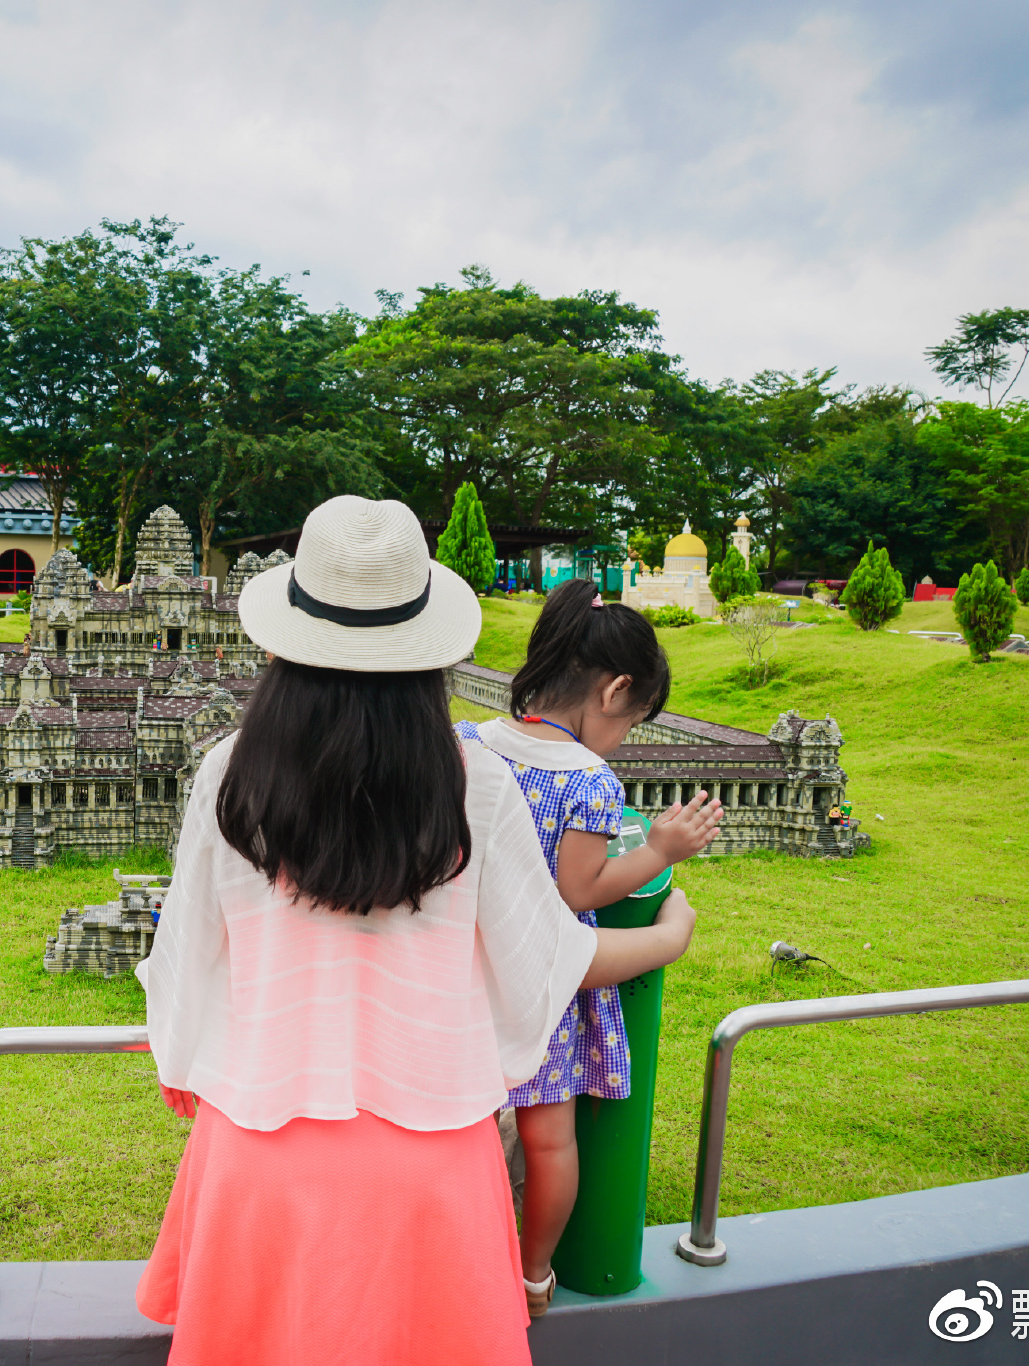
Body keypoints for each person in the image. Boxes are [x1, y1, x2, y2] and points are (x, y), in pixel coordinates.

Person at [136, 497, 699, 1365]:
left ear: (289, 636)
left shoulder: (230, 773)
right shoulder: (471, 783)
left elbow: (183, 957)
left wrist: (184, 1067)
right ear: (425, 644)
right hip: (431, 1160)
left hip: (259, 1145)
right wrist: (666, 937)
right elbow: (542, 965)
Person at [453, 578, 721, 1315]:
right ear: (615, 692)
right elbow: (577, 891)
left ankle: (462, 1258)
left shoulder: (468, 742)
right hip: (542, 992)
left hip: (463, 978)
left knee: (464, 1131)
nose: (622, 738)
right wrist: (663, 848)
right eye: (631, 723)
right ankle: (534, 1275)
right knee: (549, 1142)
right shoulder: (591, 781)